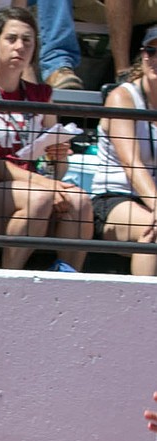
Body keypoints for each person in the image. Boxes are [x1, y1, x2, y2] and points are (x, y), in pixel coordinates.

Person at [0, 6, 92, 270]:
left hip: (36, 186)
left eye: (27, 40)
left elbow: (57, 170)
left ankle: (69, 280)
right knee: (39, 197)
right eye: (11, 38)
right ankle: (10, 281)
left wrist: (57, 159)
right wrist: (45, 184)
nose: (19, 47)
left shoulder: (41, 95)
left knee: (81, 200)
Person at [88, 24, 157, 276]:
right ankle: (145, 311)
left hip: (150, 202)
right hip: (113, 199)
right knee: (153, 231)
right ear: (143, 56)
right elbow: (131, 163)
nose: (156, 59)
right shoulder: (123, 97)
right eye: (152, 51)